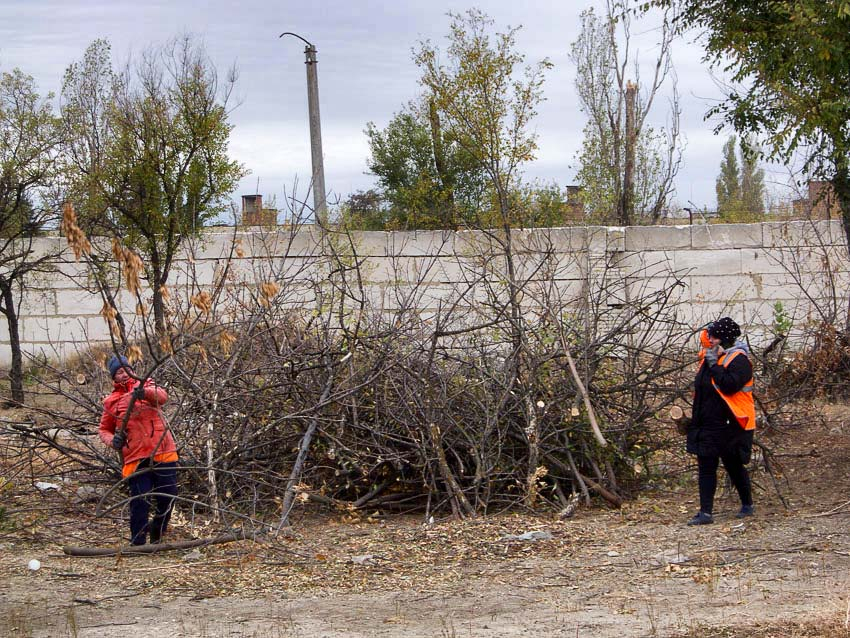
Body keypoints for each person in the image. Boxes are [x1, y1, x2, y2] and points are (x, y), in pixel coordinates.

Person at [99, 355, 179, 545]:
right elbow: (104, 430)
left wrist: (144, 393)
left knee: (168, 496)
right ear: (114, 378)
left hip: (163, 450)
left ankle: (157, 531)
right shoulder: (111, 401)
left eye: (127, 370)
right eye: (119, 372)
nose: (124, 374)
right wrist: (114, 440)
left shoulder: (148, 385)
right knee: (140, 501)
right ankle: (138, 542)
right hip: (135, 456)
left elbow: (162, 397)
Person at [686, 317, 756, 526]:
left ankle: (747, 505)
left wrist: (714, 364)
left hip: (733, 423)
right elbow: (702, 391)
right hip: (708, 422)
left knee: (733, 464)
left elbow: (729, 385)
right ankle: (705, 513)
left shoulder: (739, 360)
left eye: (715, 337)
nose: (710, 341)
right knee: (706, 465)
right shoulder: (710, 358)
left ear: (725, 339)